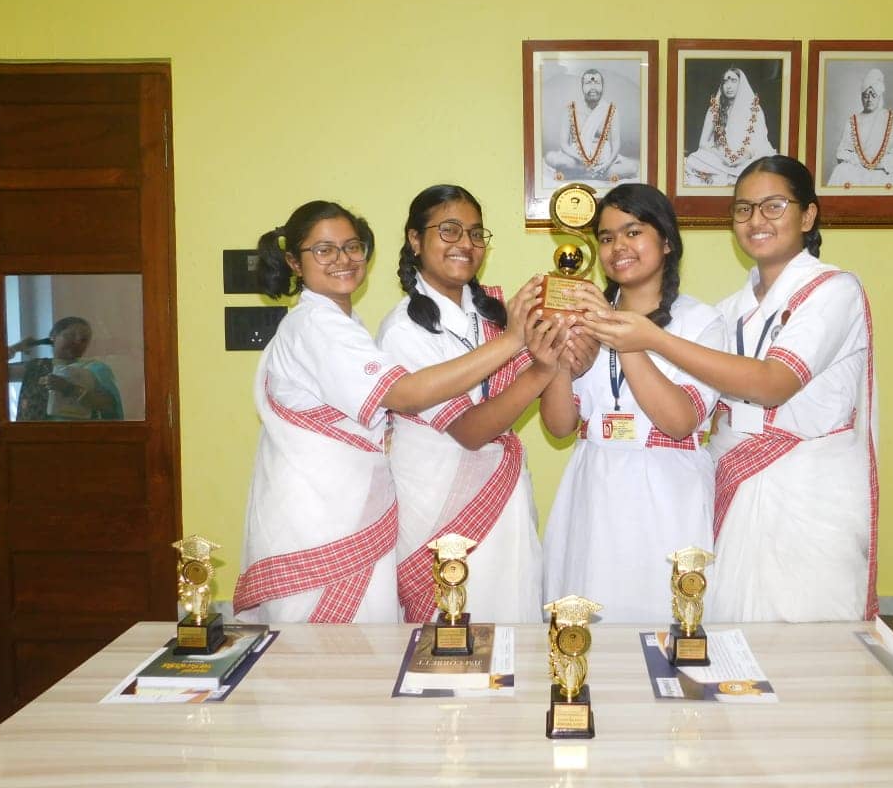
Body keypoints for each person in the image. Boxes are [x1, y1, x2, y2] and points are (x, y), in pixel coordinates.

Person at [577, 156, 878, 622]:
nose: (756, 220)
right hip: (734, 479)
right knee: (733, 624)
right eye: (743, 209)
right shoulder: (730, 309)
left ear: (808, 216)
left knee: (808, 630)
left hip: (807, 485)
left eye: (773, 206)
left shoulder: (834, 289)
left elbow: (774, 384)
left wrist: (651, 339)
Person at [234, 200, 542, 624]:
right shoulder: (317, 325)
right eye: (324, 250)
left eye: (352, 247)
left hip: (354, 511)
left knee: (363, 647)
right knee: (323, 648)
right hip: (321, 517)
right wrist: (512, 341)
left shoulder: (343, 324)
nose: (342, 259)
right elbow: (405, 394)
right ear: (294, 262)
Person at [378, 185, 588, 624]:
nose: (466, 243)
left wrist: (559, 345)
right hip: (438, 501)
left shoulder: (496, 314)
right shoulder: (403, 330)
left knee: (510, 622)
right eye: (449, 230)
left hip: (504, 498)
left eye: (476, 233)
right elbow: (471, 431)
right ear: (415, 240)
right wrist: (532, 362)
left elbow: (559, 425)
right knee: (447, 634)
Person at [540, 183, 723, 623]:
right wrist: (556, 357)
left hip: (667, 488)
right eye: (606, 237)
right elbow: (560, 426)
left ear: (666, 242)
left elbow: (678, 421)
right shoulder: (581, 317)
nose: (618, 246)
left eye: (633, 232)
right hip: (593, 485)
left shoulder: (701, 322)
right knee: (587, 625)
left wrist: (620, 331)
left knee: (668, 622)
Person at [7, 317, 124, 421]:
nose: (77, 342)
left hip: (76, 436)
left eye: (84, 340)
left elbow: (110, 406)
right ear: (53, 336)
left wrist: (69, 388)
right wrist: (16, 348)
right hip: (33, 436)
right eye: (71, 335)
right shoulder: (36, 367)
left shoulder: (96, 369)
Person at [543, 68, 639, 183]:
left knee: (633, 167)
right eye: (588, 83)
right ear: (582, 86)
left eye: (597, 83)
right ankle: (597, 174)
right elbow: (564, 144)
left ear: (602, 87)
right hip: (576, 158)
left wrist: (607, 163)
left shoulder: (610, 110)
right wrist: (579, 158)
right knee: (550, 157)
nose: (593, 87)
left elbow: (615, 143)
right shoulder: (570, 109)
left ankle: (577, 173)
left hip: (603, 158)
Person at [684, 68, 776, 186]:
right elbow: (703, 142)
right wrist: (722, 157)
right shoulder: (714, 109)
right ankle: (732, 177)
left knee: (763, 165)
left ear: (741, 84)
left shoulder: (754, 109)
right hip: (721, 158)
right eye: (725, 82)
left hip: (747, 157)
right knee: (693, 159)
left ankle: (728, 176)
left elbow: (759, 141)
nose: (729, 86)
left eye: (733, 81)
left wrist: (742, 158)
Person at [827, 68, 893, 188]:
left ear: (879, 97)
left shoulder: (889, 119)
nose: (869, 99)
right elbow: (842, 151)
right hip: (857, 169)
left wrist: (882, 164)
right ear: (861, 97)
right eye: (865, 96)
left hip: (882, 169)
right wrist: (858, 161)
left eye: (873, 95)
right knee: (840, 171)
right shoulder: (852, 121)